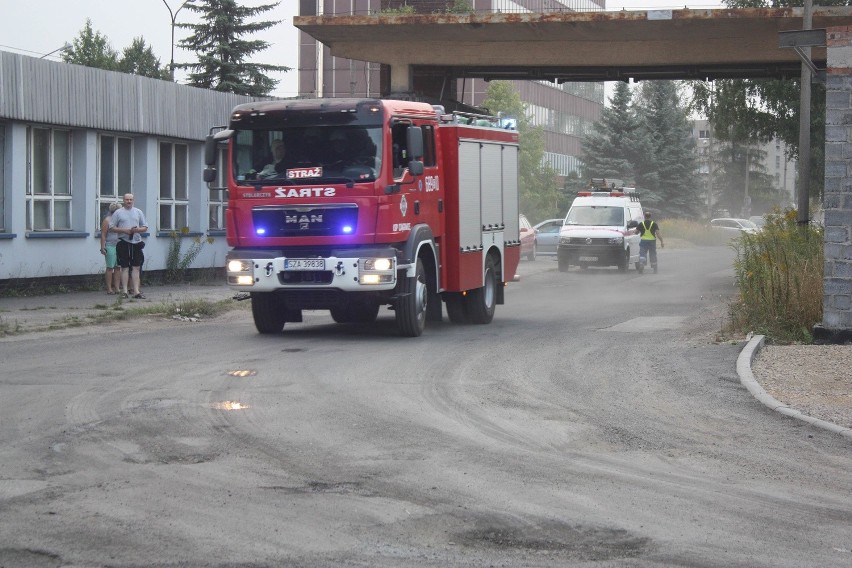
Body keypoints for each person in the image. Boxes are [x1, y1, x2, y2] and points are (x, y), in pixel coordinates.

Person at [112, 193, 148, 299]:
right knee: (124, 267)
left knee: (136, 267)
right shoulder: (118, 213)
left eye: (131, 199)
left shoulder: (138, 212)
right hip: (123, 241)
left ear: (133, 200)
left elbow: (145, 227)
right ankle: (124, 291)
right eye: (127, 199)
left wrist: (137, 230)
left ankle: (136, 291)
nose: (129, 201)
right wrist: (124, 230)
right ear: (123, 200)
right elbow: (112, 227)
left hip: (136, 242)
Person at [99, 202, 122, 294]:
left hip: (119, 245)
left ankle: (117, 288)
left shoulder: (121, 221)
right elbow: (103, 234)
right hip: (110, 245)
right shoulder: (107, 220)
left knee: (118, 267)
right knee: (110, 267)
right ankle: (109, 288)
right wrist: (102, 247)